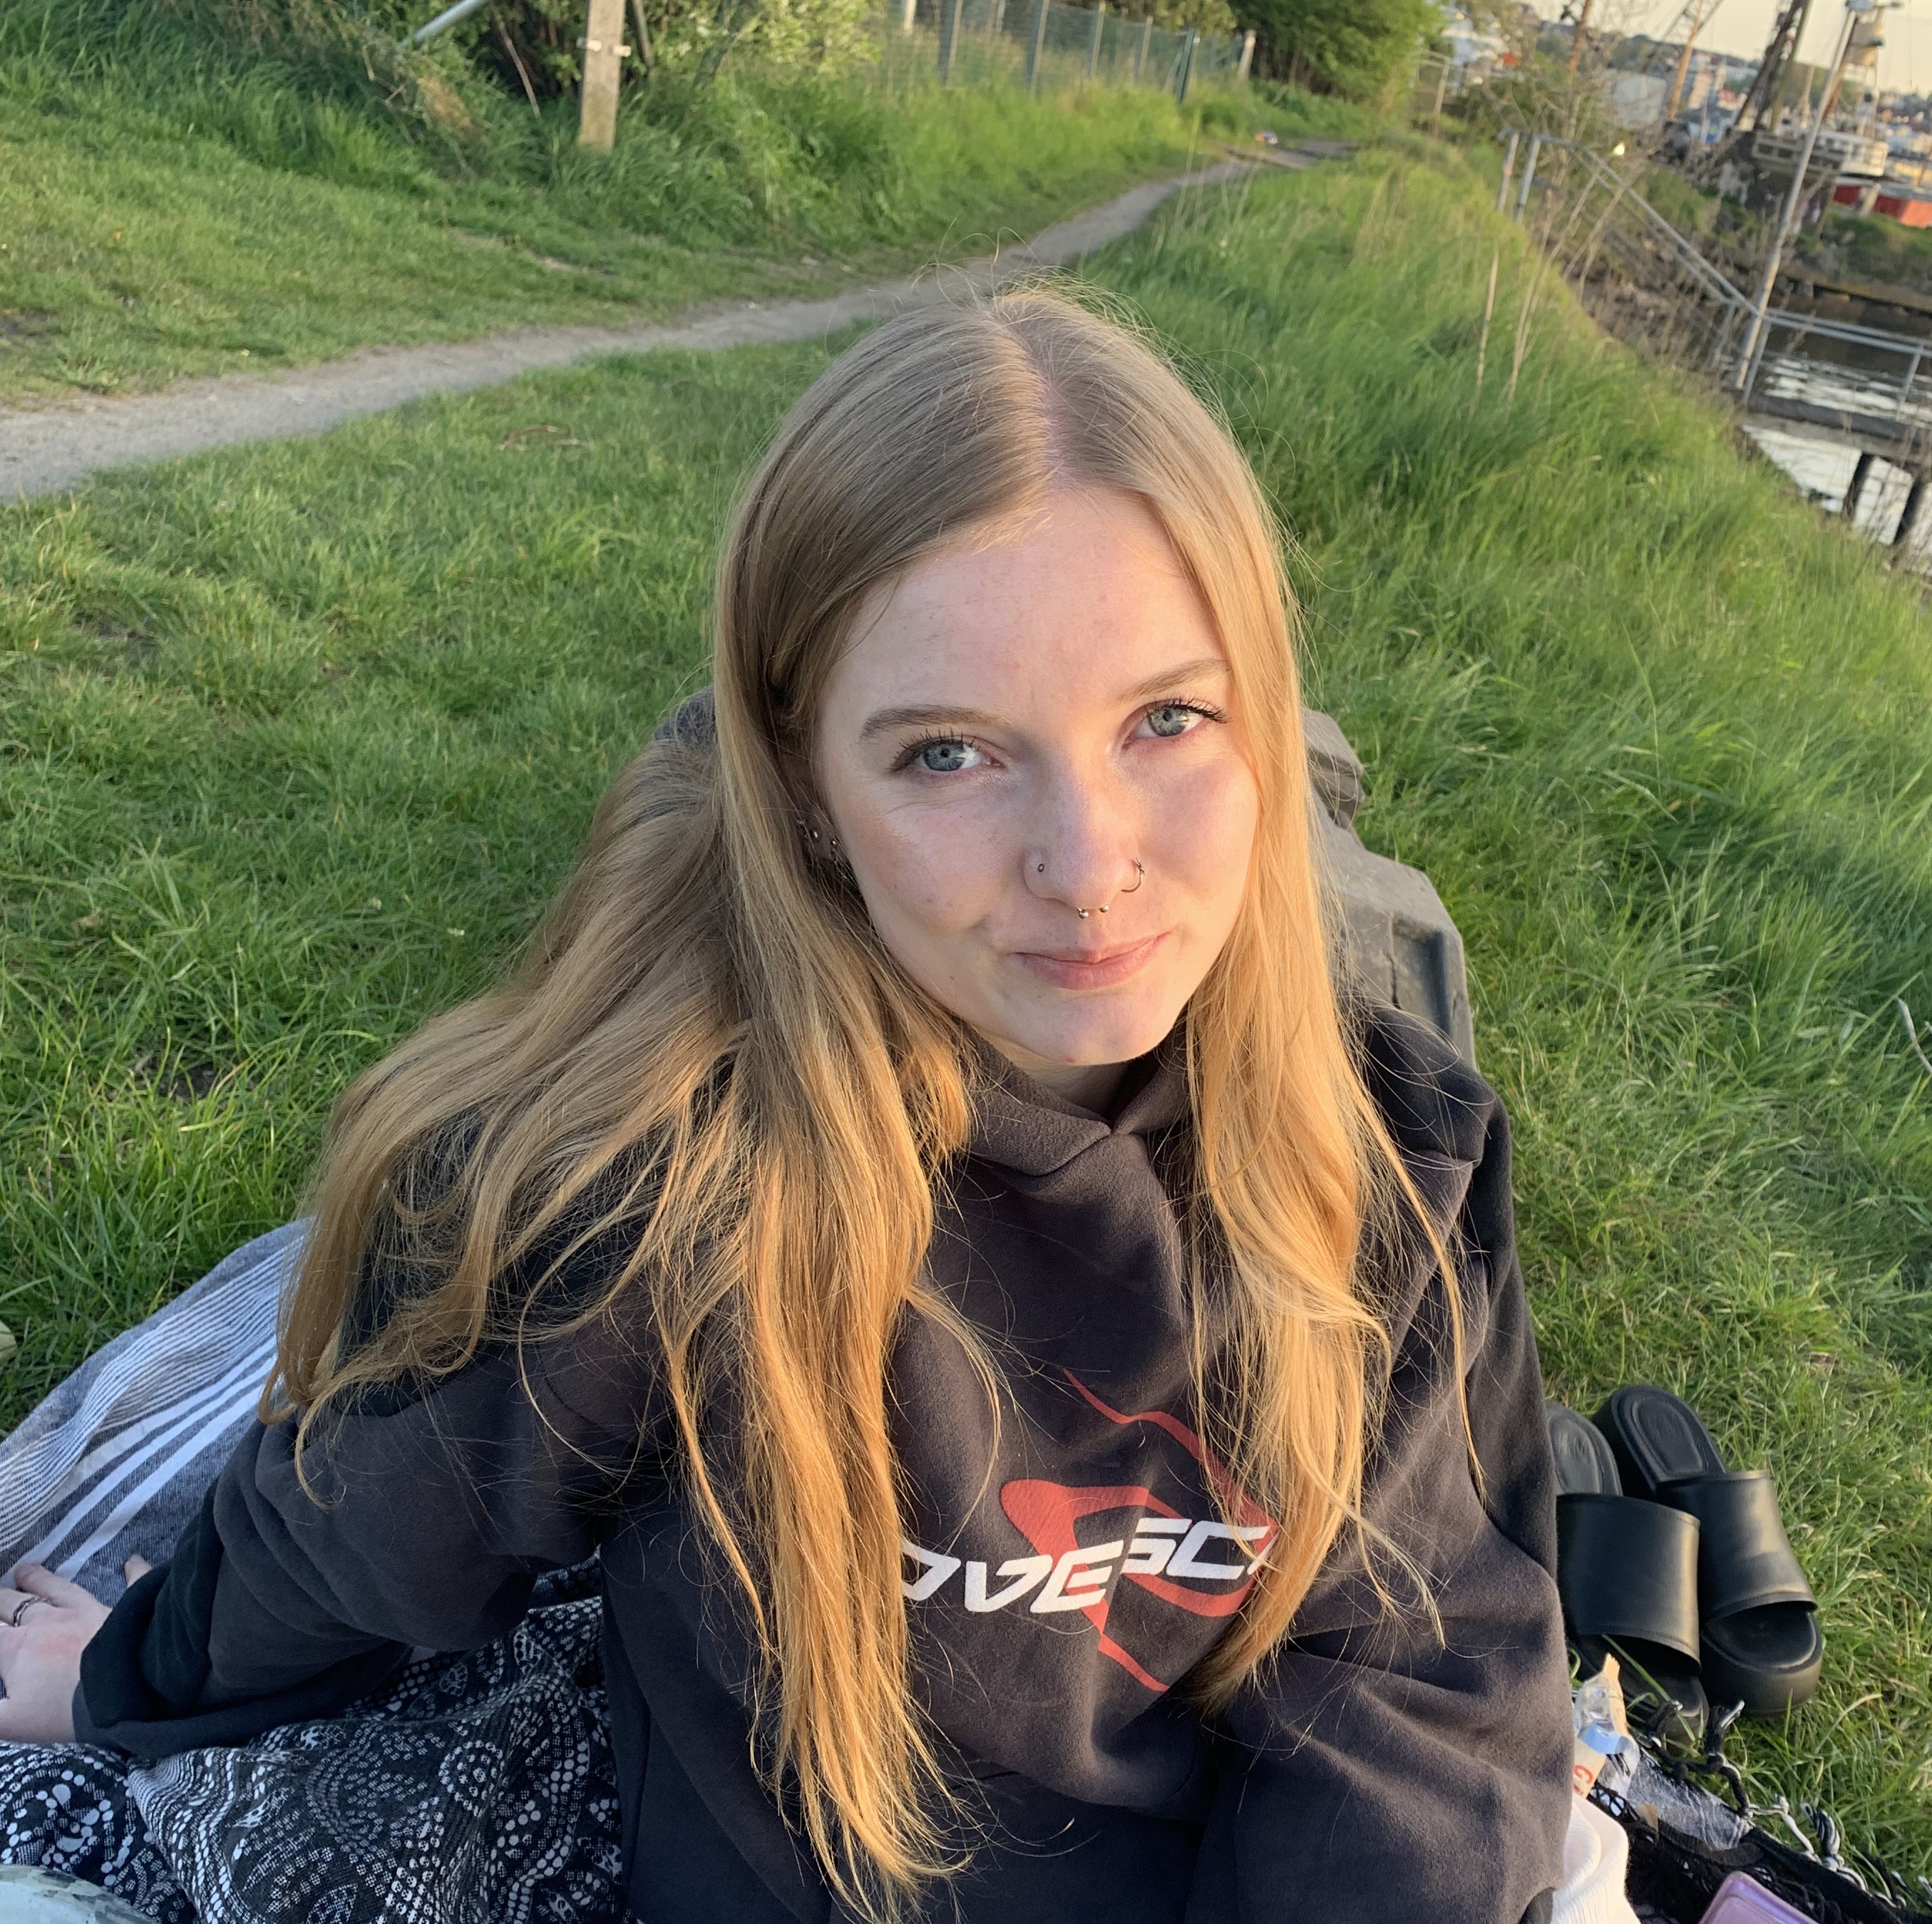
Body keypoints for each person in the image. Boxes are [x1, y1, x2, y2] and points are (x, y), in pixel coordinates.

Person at [0, 293, 1572, 1923]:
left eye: (1167, 719)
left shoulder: (1390, 1167)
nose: (1090, 864)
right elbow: (370, 1523)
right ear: (808, 799)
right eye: (950, 755)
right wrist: (121, 1680)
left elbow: (1427, 1685)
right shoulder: (665, 1181)